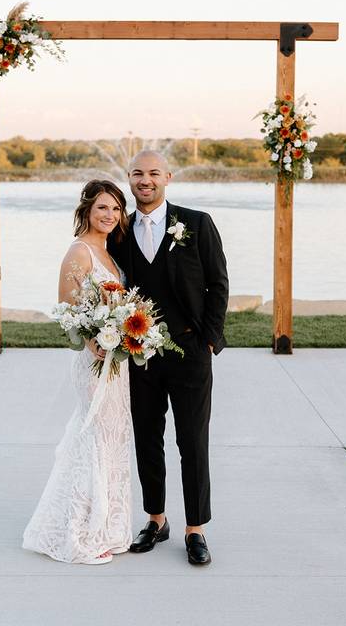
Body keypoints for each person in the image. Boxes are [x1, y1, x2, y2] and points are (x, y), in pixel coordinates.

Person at [107, 150, 229, 566]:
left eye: (154, 173)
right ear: (129, 178)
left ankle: (196, 528)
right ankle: (156, 519)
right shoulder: (118, 232)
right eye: (138, 173)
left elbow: (218, 283)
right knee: (146, 438)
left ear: (167, 178)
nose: (146, 180)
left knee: (192, 441)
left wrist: (209, 340)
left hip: (190, 352)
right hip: (140, 357)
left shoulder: (195, 223)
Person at [22, 179, 134, 564]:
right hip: (93, 362)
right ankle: (80, 530)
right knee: (92, 438)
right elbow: (67, 310)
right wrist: (96, 343)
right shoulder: (79, 251)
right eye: (103, 207)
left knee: (112, 439)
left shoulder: (110, 249)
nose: (110, 215)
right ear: (87, 209)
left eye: (116, 209)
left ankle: (110, 526)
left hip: (115, 362)